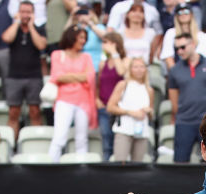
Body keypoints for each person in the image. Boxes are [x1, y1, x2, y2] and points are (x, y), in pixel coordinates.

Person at [167, 33, 206, 161]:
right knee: (180, 164)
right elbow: (174, 101)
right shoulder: (174, 70)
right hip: (184, 122)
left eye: (182, 47)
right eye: (176, 49)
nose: (179, 51)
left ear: (193, 44)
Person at [47, 25, 96, 162]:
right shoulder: (57, 55)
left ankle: (82, 168)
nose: (83, 41)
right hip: (64, 100)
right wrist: (79, 76)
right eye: (81, 37)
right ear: (71, 37)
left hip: (83, 101)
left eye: (84, 38)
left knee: (82, 139)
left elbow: (89, 77)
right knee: (59, 137)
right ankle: (50, 168)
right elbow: (57, 76)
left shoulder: (86, 57)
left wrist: (68, 76)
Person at [1, 0, 45, 137]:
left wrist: (31, 26)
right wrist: (17, 22)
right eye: (22, 12)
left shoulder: (39, 28)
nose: (25, 15)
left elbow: (41, 45)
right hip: (15, 76)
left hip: (34, 75)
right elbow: (6, 38)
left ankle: (35, 141)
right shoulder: (14, 28)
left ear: (33, 14)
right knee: (13, 112)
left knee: (35, 111)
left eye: (28, 12)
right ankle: (12, 143)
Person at [108, 54, 153, 161]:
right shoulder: (123, 85)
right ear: (131, 69)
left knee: (138, 165)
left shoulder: (149, 90)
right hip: (124, 129)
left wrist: (149, 111)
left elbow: (151, 113)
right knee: (120, 162)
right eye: (136, 67)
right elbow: (110, 107)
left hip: (141, 131)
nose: (139, 70)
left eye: (142, 67)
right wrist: (130, 112)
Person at [96, 30, 127, 162]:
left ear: (115, 43)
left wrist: (114, 53)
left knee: (119, 141)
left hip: (119, 108)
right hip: (104, 107)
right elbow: (98, 84)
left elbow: (121, 72)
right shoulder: (103, 63)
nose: (103, 45)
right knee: (106, 141)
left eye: (106, 42)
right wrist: (97, 100)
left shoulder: (126, 60)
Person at [161, 2, 199, 70]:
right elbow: (168, 57)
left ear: (191, 14)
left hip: (198, 72)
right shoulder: (170, 33)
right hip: (177, 71)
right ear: (176, 16)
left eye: (186, 11)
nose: (183, 14)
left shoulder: (200, 35)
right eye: (180, 12)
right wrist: (177, 75)